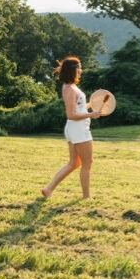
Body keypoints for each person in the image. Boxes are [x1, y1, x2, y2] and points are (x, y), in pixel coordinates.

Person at [42, 56, 100, 199]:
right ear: (73, 70)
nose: (81, 70)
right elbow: (71, 114)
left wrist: (91, 105)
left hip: (75, 129)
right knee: (87, 163)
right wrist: (91, 115)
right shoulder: (70, 89)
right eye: (79, 67)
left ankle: (48, 189)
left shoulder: (71, 88)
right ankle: (86, 196)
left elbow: (78, 109)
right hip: (78, 130)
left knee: (74, 163)